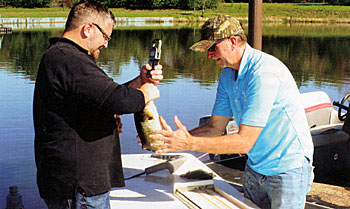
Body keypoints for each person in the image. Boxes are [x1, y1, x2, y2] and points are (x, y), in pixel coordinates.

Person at [150, 15, 314, 209]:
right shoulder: (228, 75)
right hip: (255, 167)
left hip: (288, 169)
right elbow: (214, 127)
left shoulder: (263, 74)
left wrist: (189, 142)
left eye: (212, 48)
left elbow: (244, 142)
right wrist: (170, 141)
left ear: (233, 41)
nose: (209, 55)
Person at [33, 0, 162, 208]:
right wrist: (146, 93)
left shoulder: (63, 57)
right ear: (88, 29)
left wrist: (139, 82)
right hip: (78, 186)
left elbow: (99, 96)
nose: (106, 44)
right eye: (105, 37)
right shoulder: (69, 59)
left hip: (77, 183)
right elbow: (118, 99)